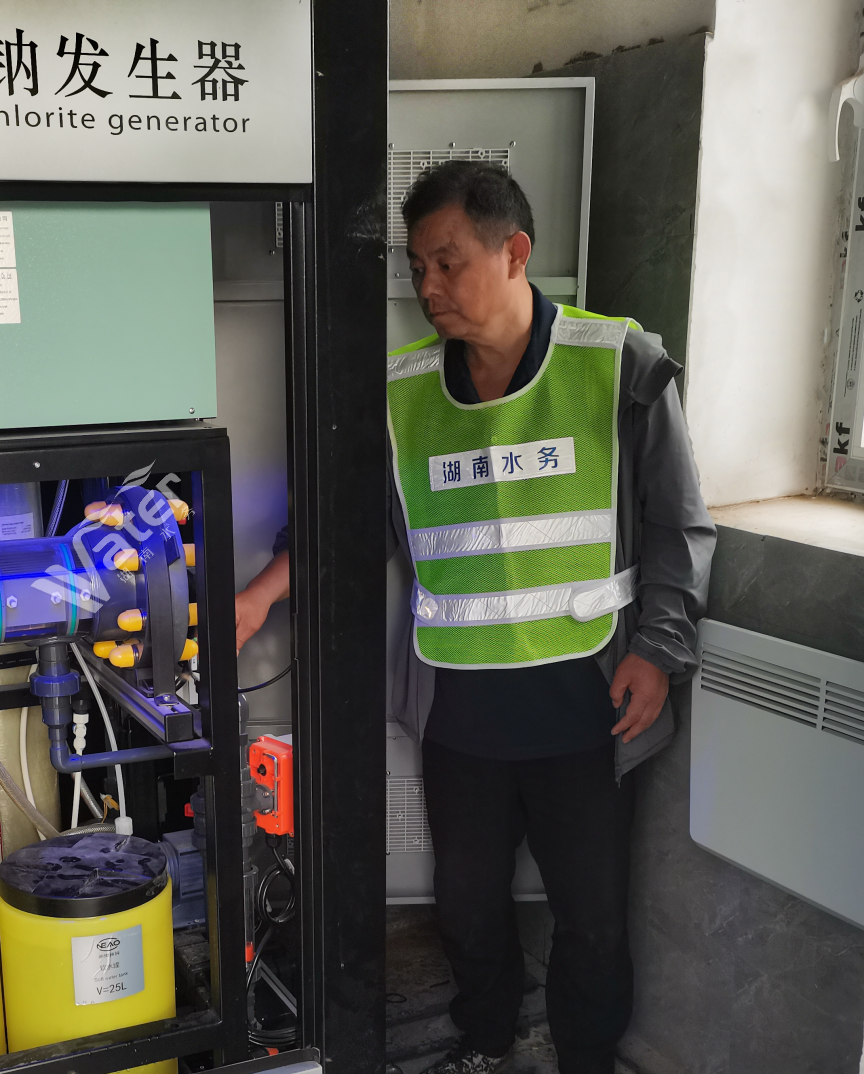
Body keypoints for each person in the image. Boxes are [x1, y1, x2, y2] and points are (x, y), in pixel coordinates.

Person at [383, 161, 714, 1074]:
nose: (428, 287)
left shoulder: (619, 364)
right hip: (460, 710)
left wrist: (660, 650)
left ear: (515, 251)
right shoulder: (401, 394)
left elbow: (679, 521)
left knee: (592, 916)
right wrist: (260, 591)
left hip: (590, 703)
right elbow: (347, 526)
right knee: (467, 908)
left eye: (447, 262)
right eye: (417, 268)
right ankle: (486, 1040)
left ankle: (585, 1058)